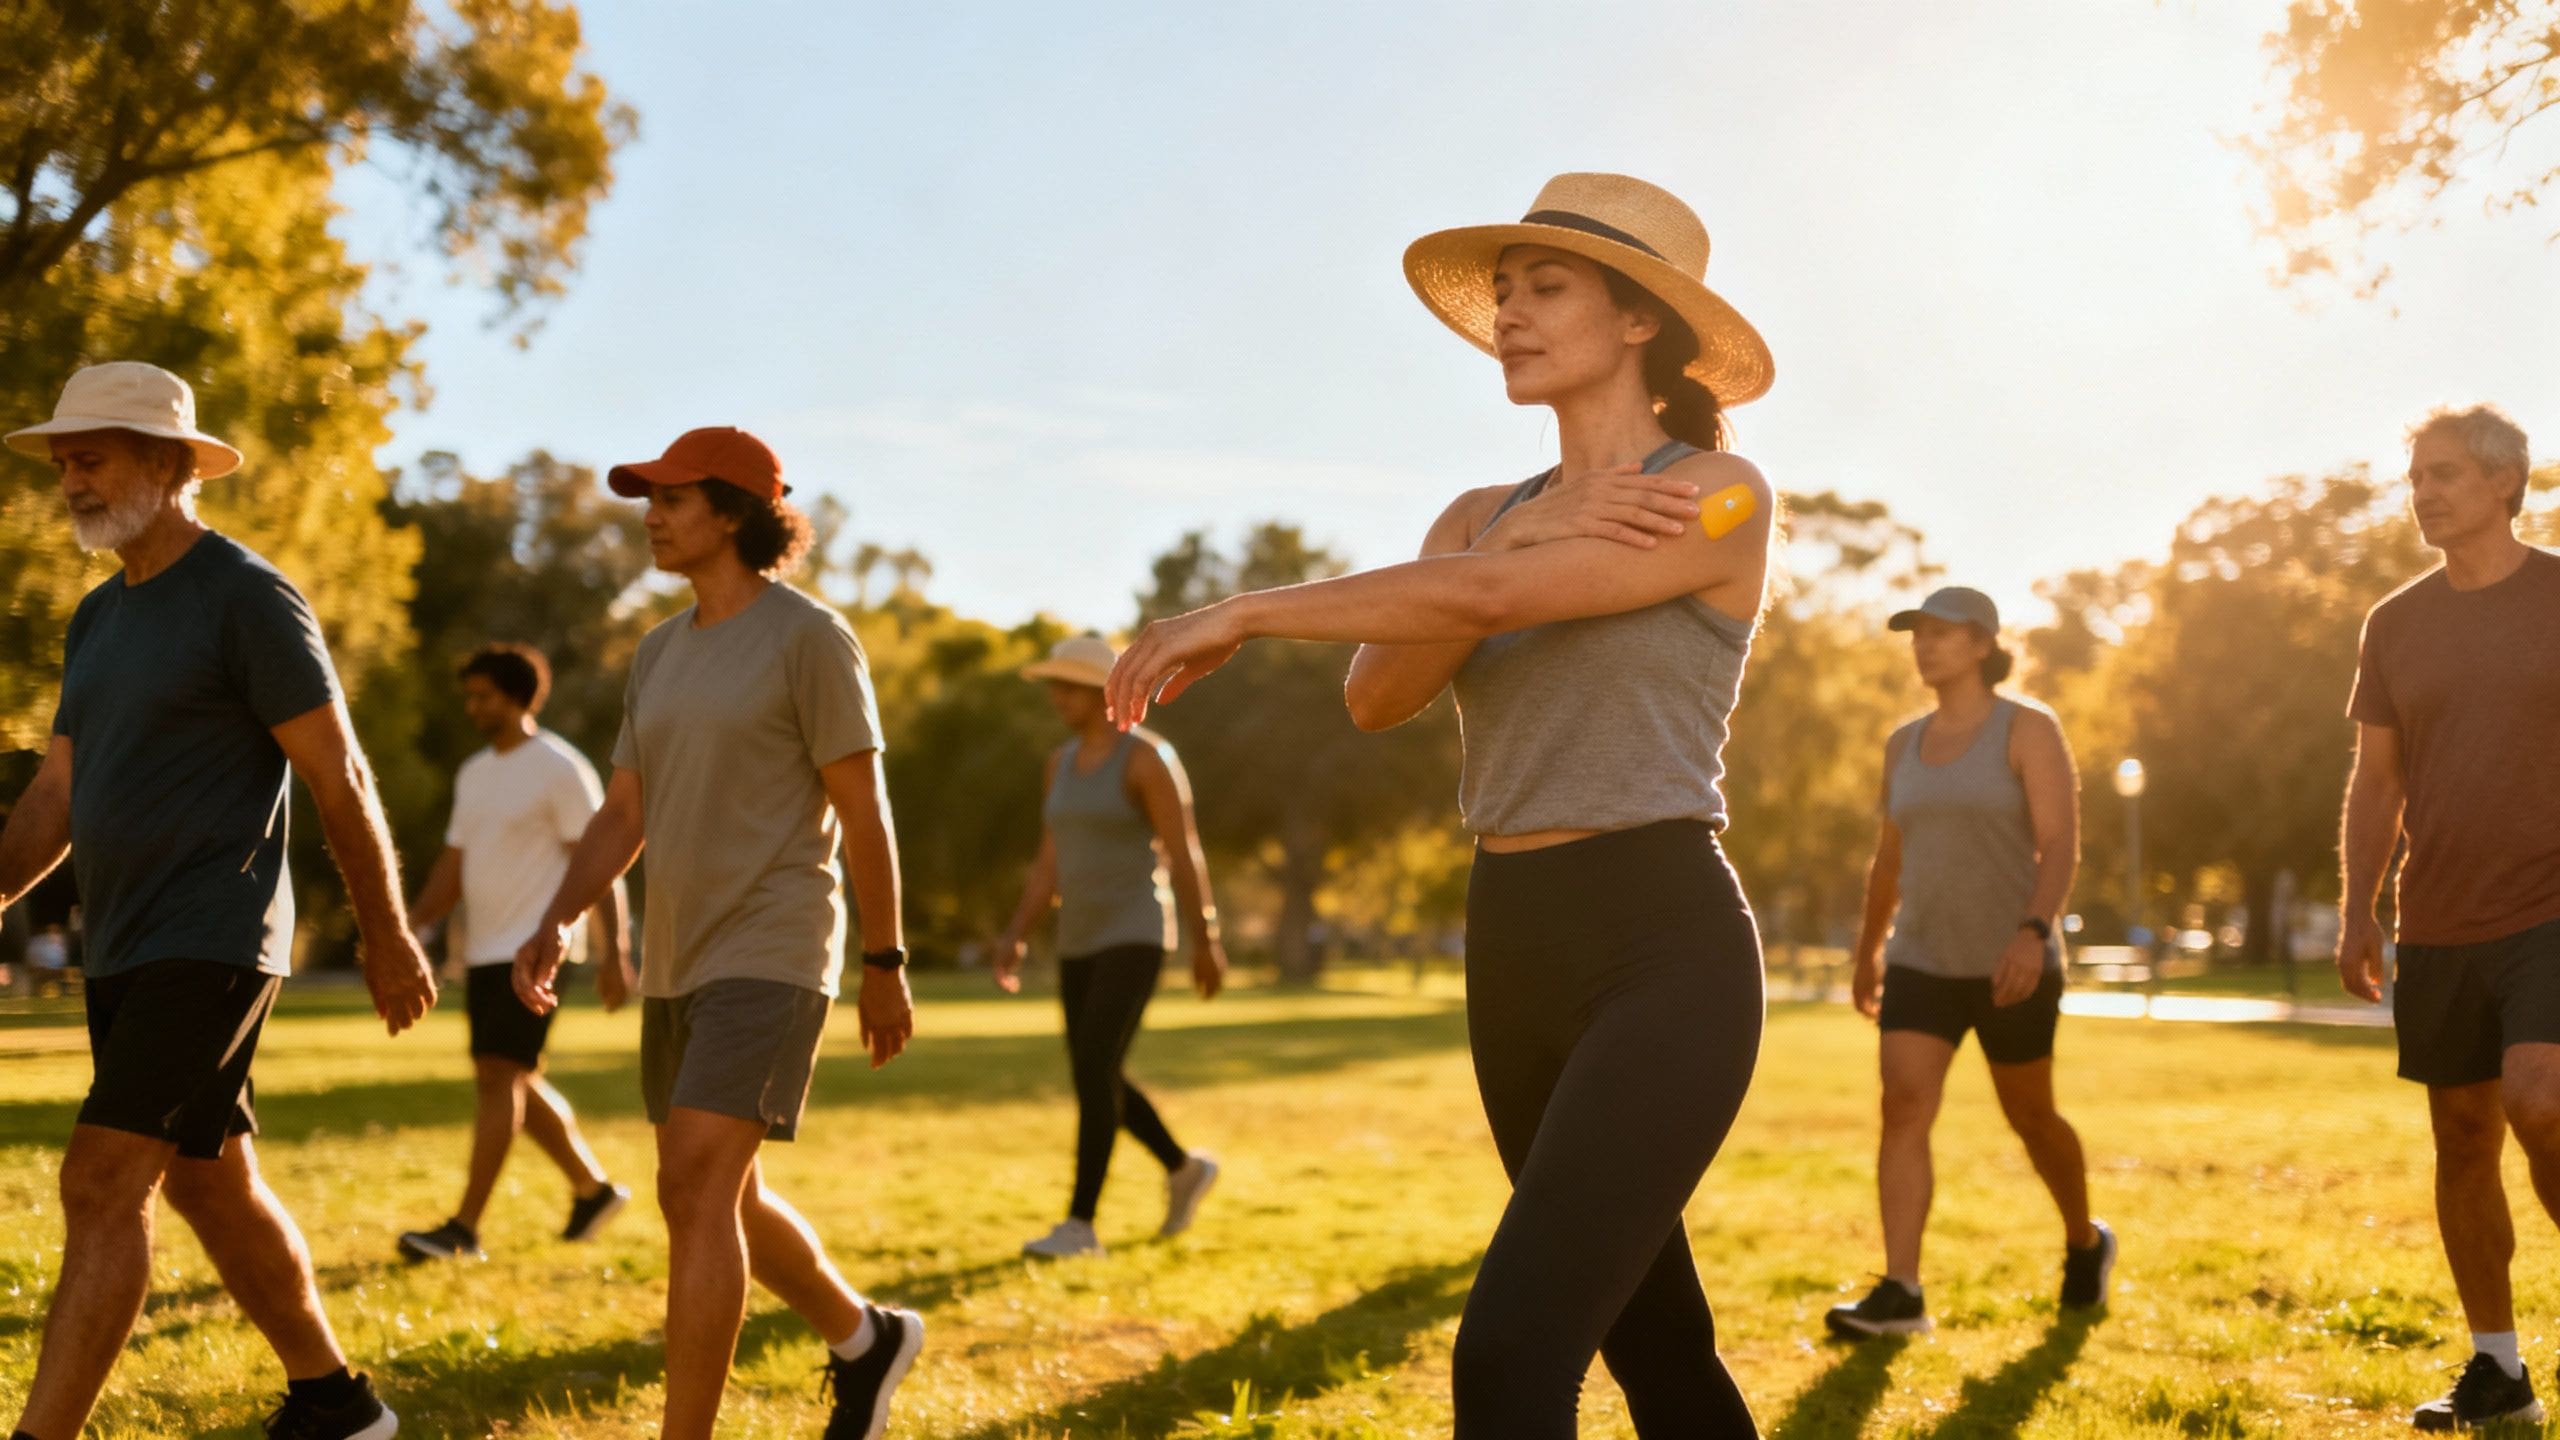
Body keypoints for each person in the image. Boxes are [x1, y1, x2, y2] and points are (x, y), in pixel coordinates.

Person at [1108, 173, 1776, 1436]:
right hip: (1512, 940)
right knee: (1659, 1349)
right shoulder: (1478, 519)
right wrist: (1504, 541)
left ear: (1640, 321)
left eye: (1548, 289)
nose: (1511, 317)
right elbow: (1379, 695)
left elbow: (1475, 612)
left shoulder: (1720, 495)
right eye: (1504, 293)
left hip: (1661, 944)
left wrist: (1245, 609)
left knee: (1507, 1358)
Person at [0, 362, 435, 1440]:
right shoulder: (99, 620)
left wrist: (386, 934)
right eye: (63, 464)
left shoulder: (245, 595)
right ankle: (336, 1403)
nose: (72, 482)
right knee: (208, 1182)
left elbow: (340, 774)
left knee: (103, 1183)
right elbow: (57, 793)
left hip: (216, 932)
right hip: (126, 941)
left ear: (167, 463)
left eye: (90, 458)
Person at [513, 426, 922, 1440]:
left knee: (694, 1182)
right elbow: (623, 814)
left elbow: (864, 812)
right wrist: (556, 915)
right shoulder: (658, 651)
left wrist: (884, 962)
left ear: (734, 512)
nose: (649, 514)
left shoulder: (809, 638)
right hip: (680, 954)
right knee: (715, 1192)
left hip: (777, 941)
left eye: (671, 497)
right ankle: (865, 1339)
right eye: (646, 498)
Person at [2338, 404, 2560, 1432]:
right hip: (2438, 918)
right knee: (2462, 1136)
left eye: (2445, 475)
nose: (2423, 492)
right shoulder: (2394, 623)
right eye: (2416, 476)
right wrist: (2355, 907)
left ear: (2504, 484)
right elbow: (2374, 780)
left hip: (2550, 906)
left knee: (2539, 1100)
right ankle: (2497, 1370)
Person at [1825, 586, 2111, 1339]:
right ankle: (1902, 1291)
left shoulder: (2027, 729)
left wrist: (2031, 932)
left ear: (1982, 643)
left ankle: (2085, 1239)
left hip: (2010, 960)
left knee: (2031, 1117)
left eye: (1942, 634)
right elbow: (1888, 858)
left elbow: (2060, 843)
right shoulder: (1903, 743)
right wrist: (1868, 954)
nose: (1925, 645)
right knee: (1904, 1107)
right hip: (1921, 957)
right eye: (1916, 634)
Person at [395, 642, 634, 1262]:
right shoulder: (474, 774)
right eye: (469, 695)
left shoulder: (558, 768)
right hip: (483, 951)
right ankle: (593, 1190)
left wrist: (616, 952)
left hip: (536, 949)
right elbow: (455, 864)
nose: (473, 706)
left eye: (485, 695)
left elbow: (602, 859)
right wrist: (410, 927)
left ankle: (464, 1230)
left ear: (519, 696)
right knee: (513, 1077)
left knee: (498, 1075)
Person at [997, 634, 1227, 1258]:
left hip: (1136, 931)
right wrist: (1017, 934)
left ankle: (1080, 1226)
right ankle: (1183, 1168)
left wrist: (1206, 939)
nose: (1055, 696)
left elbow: (1184, 852)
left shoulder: (1146, 758)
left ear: (1104, 692)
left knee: (1095, 1067)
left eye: (1068, 685)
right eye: (1054, 684)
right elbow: (1050, 861)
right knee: (1096, 1073)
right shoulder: (1060, 763)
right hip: (1078, 938)